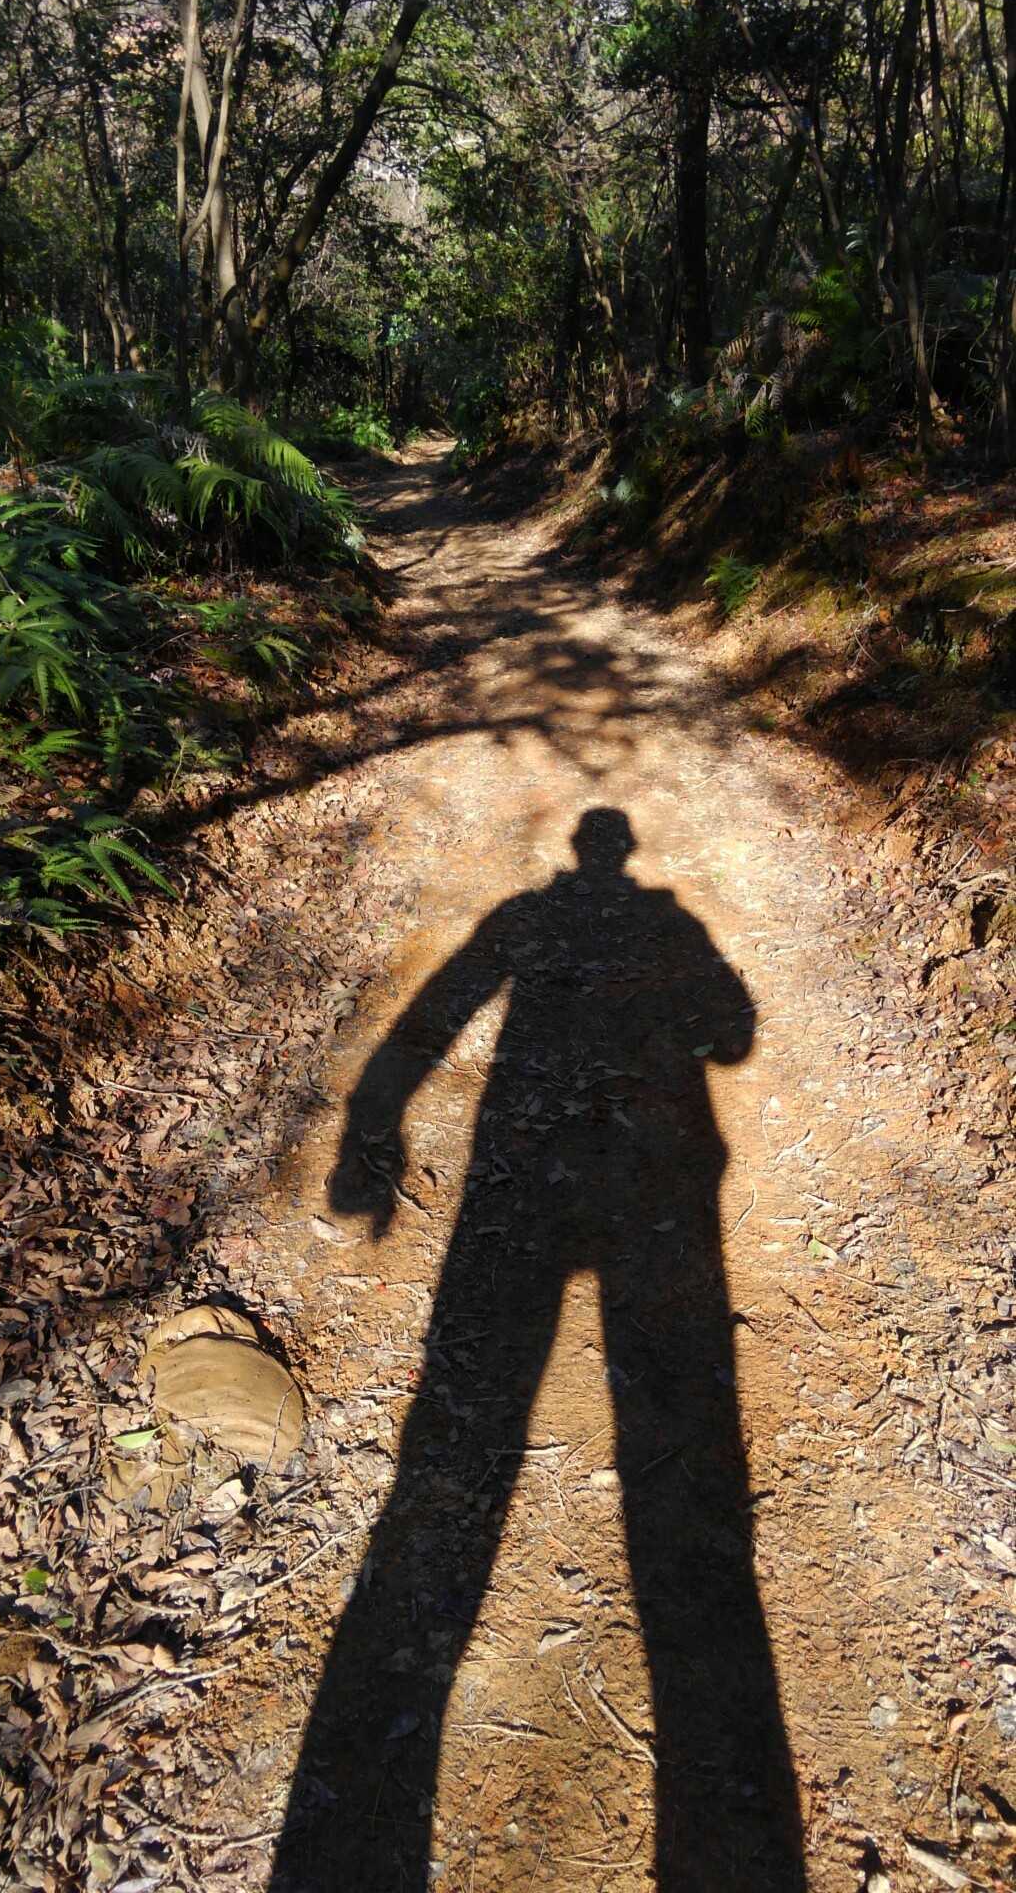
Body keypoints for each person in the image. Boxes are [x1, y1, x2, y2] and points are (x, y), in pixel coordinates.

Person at [270, 807, 804, 1891]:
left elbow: (438, 1008)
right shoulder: (672, 923)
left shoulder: (521, 916)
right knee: (672, 1427)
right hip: (662, 1183)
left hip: (513, 1161)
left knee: (468, 1419)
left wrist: (375, 1130)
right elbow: (736, 1035)